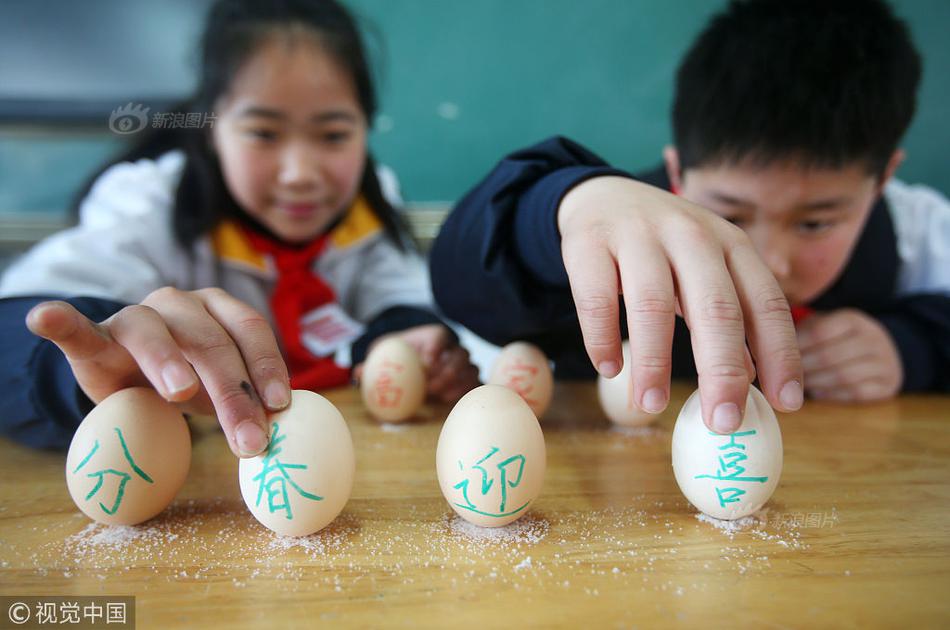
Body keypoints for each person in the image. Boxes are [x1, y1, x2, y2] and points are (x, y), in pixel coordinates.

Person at [431, 0, 950, 433]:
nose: (769, 261)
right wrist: (564, 203)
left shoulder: (914, 229)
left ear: (884, 180)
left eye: (816, 222)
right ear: (677, 173)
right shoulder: (612, 223)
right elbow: (463, 282)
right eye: (730, 214)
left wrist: (910, 346)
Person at [0, 0, 479, 454]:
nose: (300, 174)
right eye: (263, 133)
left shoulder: (368, 208)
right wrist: (82, 364)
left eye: (334, 135)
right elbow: (20, 325)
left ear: (365, 129)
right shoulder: (148, 207)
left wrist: (410, 336)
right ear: (212, 130)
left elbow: (397, 291)